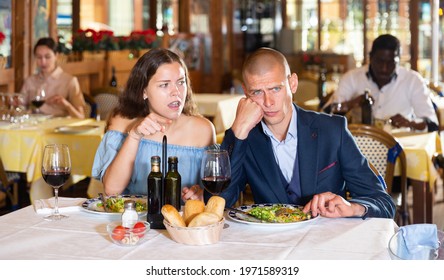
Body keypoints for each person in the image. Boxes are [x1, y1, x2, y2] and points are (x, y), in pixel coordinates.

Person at [217, 47, 395, 219]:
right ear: (246, 93)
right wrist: (238, 131)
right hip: (272, 245)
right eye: (257, 92)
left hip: (326, 243)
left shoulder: (333, 130)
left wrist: (352, 208)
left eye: (275, 89)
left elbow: (383, 203)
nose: (268, 102)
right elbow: (217, 203)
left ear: (292, 83)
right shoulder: (243, 138)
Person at [92, 48, 216, 201]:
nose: (176, 92)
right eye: (164, 85)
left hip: (183, 222)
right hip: (134, 220)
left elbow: (213, 190)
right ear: (144, 91)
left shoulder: (203, 130)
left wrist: (201, 193)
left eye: (181, 82)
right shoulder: (122, 122)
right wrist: (134, 135)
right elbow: (112, 190)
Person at [328, 34, 438, 132]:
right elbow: (326, 114)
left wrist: (410, 123)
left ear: (399, 60)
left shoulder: (413, 80)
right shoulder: (352, 78)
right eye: (379, 61)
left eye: (391, 63)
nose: (384, 68)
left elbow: (432, 125)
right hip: (358, 144)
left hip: (400, 148)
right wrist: (351, 103)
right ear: (370, 58)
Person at [20, 37, 86, 118]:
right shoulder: (30, 81)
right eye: (39, 57)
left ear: (56, 56)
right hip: (33, 126)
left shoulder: (69, 81)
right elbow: (21, 109)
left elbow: (81, 117)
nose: (43, 62)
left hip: (59, 127)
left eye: (47, 57)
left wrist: (66, 104)